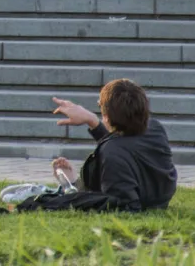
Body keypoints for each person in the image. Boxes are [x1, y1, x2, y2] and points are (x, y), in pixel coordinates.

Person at [49, 80, 178, 211]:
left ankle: (73, 185)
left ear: (107, 116)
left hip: (138, 201)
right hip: (159, 199)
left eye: (100, 105)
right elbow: (124, 143)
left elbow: (123, 204)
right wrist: (92, 120)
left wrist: (73, 189)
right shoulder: (154, 128)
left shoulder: (111, 152)